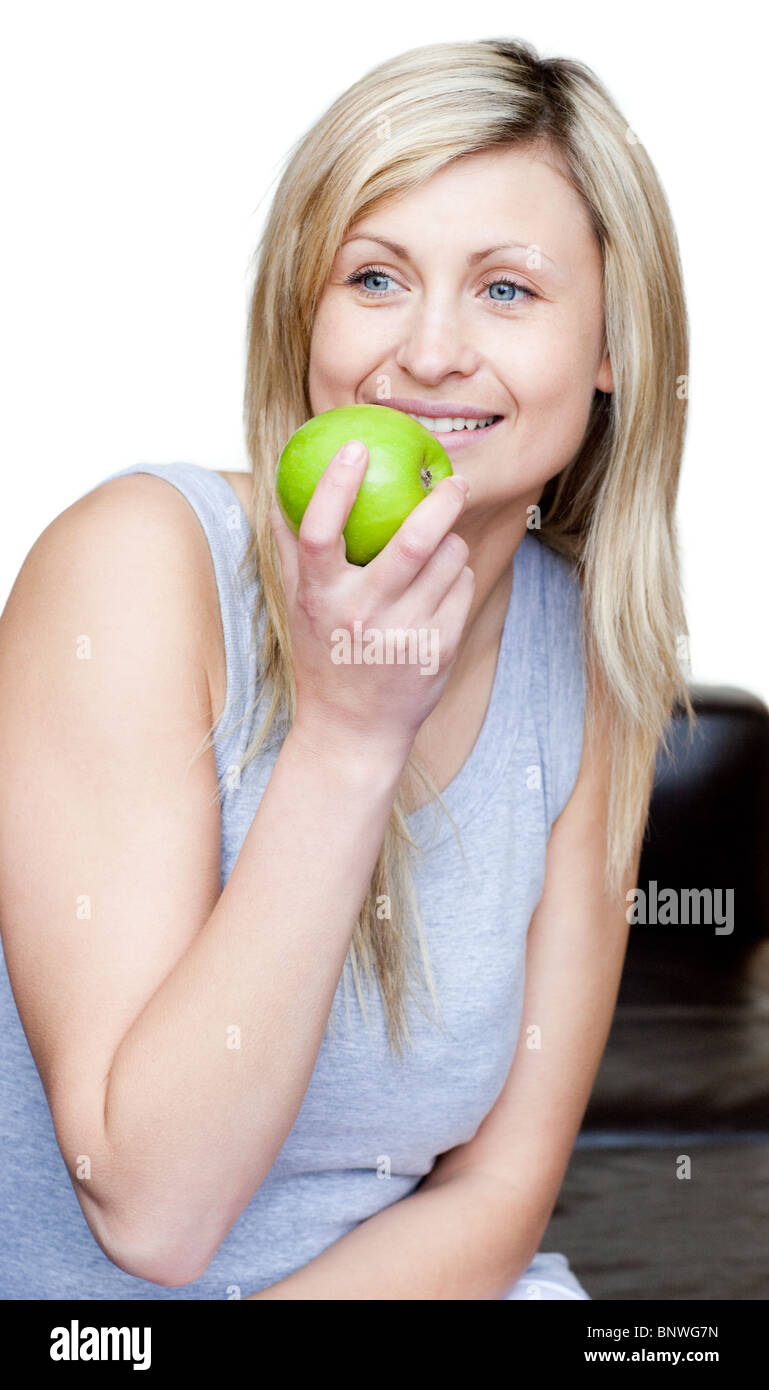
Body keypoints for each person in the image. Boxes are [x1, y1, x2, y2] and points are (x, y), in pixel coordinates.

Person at [0, 37, 692, 1299]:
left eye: (506, 290)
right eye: (375, 276)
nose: (427, 353)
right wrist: (348, 734)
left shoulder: (587, 664)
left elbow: (498, 1192)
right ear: (304, 316)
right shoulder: (135, 571)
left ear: (609, 346)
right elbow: (148, 1210)